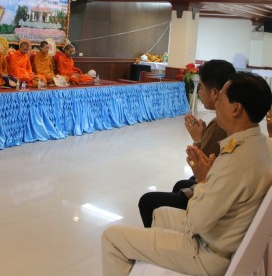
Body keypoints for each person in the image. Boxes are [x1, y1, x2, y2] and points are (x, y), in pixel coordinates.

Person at [102, 72, 272, 276]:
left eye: (220, 98)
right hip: (217, 236)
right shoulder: (259, 144)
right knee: (160, 213)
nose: (216, 103)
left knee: (112, 237)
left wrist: (202, 180)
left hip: (208, 253)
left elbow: (196, 221)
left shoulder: (236, 160)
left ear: (236, 109)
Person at [138, 59, 236, 227]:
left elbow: (197, 165)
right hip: (218, 188)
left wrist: (198, 139)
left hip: (212, 198)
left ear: (214, 92)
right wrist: (203, 137)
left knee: (147, 201)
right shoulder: (228, 124)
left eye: (201, 88)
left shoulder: (221, 124)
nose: (199, 93)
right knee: (181, 184)